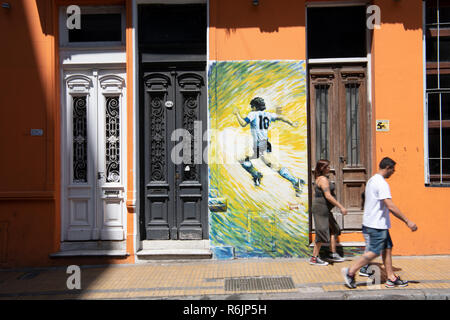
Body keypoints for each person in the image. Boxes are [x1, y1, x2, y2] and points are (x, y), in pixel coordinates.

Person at [342, 157, 418, 289]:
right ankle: (350, 272)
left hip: (378, 223)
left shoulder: (372, 180)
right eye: (393, 170)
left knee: (387, 249)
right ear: (387, 168)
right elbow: (390, 206)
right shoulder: (381, 183)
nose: (393, 172)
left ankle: (391, 278)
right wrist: (407, 221)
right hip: (376, 225)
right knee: (375, 252)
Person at [233, 97, 305, 197]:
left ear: (254, 107)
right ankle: (257, 175)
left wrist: (237, 114)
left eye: (251, 107)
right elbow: (281, 117)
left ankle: (295, 181)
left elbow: (243, 123)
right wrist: (291, 123)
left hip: (260, 145)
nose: (250, 108)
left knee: (273, 165)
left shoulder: (253, 114)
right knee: (244, 158)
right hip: (263, 143)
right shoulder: (268, 114)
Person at [310, 159, 348, 266]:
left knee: (334, 228)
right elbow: (328, 196)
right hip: (321, 209)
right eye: (327, 167)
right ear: (322, 168)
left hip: (324, 208)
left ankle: (332, 253)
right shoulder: (323, 179)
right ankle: (314, 258)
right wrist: (341, 207)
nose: (329, 168)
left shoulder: (320, 178)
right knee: (322, 232)